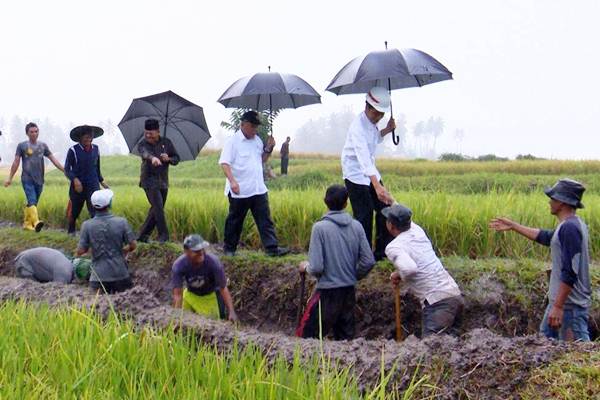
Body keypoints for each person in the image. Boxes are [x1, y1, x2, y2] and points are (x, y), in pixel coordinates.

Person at [490, 179, 591, 341]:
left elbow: (570, 272)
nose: (550, 202)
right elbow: (547, 237)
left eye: (553, 198)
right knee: (542, 348)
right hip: (560, 305)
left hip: (569, 308)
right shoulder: (568, 225)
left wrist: (558, 306)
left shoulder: (570, 228)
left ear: (563, 203)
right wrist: (513, 226)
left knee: (581, 355)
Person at [296, 185, 376, 340]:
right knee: (345, 342)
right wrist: (352, 275)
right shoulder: (357, 226)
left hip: (327, 293)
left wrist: (306, 267)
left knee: (306, 339)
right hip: (348, 292)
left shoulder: (319, 228)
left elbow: (317, 267)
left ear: (325, 202)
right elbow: (368, 261)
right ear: (346, 203)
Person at [384, 203, 464, 337]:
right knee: (451, 349)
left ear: (391, 226)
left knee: (431, 351)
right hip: (454, 295)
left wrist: (401, 274)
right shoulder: (417, 231)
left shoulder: (394, 247)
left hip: (438, 303)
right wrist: (399, 273)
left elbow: (409, 269)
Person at [218, 110, 289, 257]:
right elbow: (224, 163)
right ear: (243, 125)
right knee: (235, 221)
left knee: (265, 220)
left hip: (258, 188)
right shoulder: (232, 142)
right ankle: (229, 250)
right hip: (240, 190)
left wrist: (269, 148)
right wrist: (232, 181)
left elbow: (261, 159)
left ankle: (272, 249)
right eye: (252, 126)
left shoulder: (257, 141)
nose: (255, 130)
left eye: (256, 127)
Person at [341, 87, 396, 261]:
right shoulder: (357, 127)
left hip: (370, 171)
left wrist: (387, 130)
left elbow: (375, 139)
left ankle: (381, 252)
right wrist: (377, 186)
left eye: (382, 114)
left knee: (385, 209)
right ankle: (363, 256)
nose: (379, 117)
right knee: (364, 215)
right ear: (367, 107)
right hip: (355, 174)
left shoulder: (372, 124)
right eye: (377, 114)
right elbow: (363, 157)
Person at [4, 122, 64, 231]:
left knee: (33, 202)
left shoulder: (43, 146)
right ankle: (36, 222)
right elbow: (16, 162)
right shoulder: (22, 146)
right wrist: (10, 178)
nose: (34, 134)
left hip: (40, 179)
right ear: (27, 133)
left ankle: (27, 224)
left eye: (36, 131)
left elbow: (53, 159)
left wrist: (64, 170)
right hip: (27, 178)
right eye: (31, 132)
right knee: (32, 200)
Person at [76, 189, 137, 294]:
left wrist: (94, 249)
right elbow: (133, 245)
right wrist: (123, 250)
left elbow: (80, 251)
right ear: (109, 204)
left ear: (93, 206)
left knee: (97, 307)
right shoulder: (121, 222)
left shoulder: (87, 225)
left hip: (98, 277)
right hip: (121, 274)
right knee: (126, 306)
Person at [171, 234, 238, 321]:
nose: (201, 253)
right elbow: (178, 295)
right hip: (191, 295)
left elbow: (223, 288)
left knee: (212, 324)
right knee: (184, 321)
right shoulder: (179, 266)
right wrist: (176, 317)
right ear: (186, 251)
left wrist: (231, 312)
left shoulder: (214, 263)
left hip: (209, 296)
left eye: (202, 249)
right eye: (196, 251)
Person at [137, 118, 180, 243]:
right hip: (148, 180)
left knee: (156, 209)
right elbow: (144, 153)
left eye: (151, 133)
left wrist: (169, 159)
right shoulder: (143, 144)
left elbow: (177, 158)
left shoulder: (167, 143)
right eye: (146, 133)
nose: (148, 135)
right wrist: (153, 158)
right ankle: (164, 236)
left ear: (158, 131)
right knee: (158, 208)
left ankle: (142, 236)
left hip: (163, 181)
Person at [64, 125, 109, 234]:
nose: (88, 140)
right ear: (80, 138)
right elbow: (67, 169)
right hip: (78, 186)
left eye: (90, 137)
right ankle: (71, 231)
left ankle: (96, 233)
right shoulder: (73, 150)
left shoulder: (96, 149)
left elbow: (97, 167)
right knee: (75, 210)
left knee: (95, 209)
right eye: (86, 137)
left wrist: (102, 181)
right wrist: (75, 180)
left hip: (93, 184)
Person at [14, 247, 91, 283]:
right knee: (32, 287)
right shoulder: (65, 273)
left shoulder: (67, 262)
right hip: (24, 261)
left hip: (29, 257)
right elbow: (56, 290)